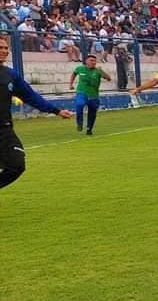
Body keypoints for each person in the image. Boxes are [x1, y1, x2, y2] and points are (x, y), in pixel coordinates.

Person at [0, 38, 73, 191]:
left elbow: (31, 97)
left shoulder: (11, 75)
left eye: (6, 48)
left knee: (17, 166)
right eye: (1, 47)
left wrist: (56, 110)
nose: (4, 51)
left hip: (4, 130)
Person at [69, 55, 111, 135]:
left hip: (93, 95)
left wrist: (101, 71)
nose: (93, 62)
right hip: (82, 92)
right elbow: (74, 74)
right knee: (79, 104)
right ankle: (79, 123)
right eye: (91, 60)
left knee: (92, 113)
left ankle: (89, 129)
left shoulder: (97, 71)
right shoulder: (80, 68)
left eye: (95, 61)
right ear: (86, 61)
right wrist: (71, 84)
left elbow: (109, 78)